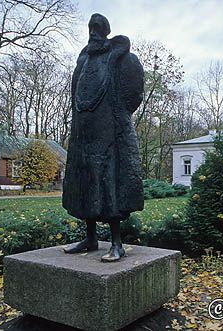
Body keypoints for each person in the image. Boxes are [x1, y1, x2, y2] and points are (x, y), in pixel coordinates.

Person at [62, 13, 144, 262]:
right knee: (86, 182)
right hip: (83, 132)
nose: (93, 32)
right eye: (90, 28)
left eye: (98, 28)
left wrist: (116, 117)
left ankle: (117, 243)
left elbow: (134, 94)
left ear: (106, 31)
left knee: (110, 183)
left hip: (109, 131)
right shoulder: (83, 59)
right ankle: (90, 238)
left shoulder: (122, 57)